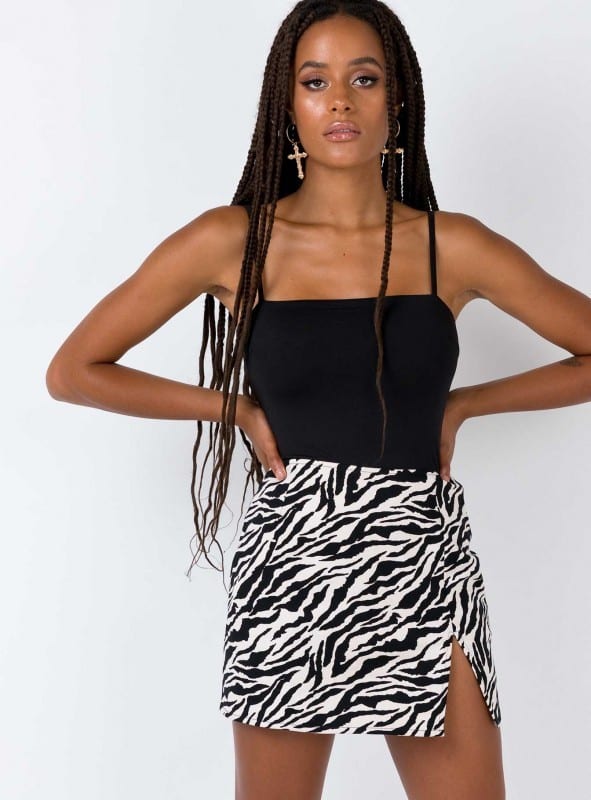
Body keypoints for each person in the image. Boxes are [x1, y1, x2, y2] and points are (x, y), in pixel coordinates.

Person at [45, 1, 591, 798]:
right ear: (287, 105)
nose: (338, 100)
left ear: (396, 101)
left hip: (419, 555)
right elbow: (75, 370)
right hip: (292, 561)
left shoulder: (452, 245)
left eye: (363, 79)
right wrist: (232, 409)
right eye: (314, 81)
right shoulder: (233, 241)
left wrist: (463, 403)